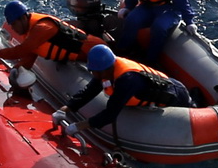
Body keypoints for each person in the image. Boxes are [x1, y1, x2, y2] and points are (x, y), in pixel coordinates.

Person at [53, 44, 193, 135]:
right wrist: (64, 110)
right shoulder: (105, 70)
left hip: (176, 96)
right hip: (168, 88)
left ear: (104, 69)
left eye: (95, 72)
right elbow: (88, 92)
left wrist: (78, 127)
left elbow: (110, 114)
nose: (93, 75)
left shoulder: (127, 81)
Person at [0, 0, 106, 70]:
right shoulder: (28, 32)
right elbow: (29, 58)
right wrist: (15, 71)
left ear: (23, 18)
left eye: (14, 24)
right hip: (83, 56)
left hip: (96, 51)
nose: (13, 28)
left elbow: (21, 51)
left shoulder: (42, 28)